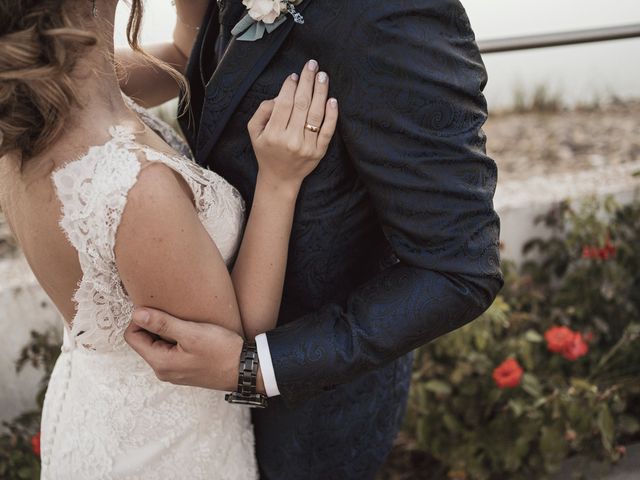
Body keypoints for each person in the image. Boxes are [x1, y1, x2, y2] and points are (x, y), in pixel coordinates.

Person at [123, 0, 504, 479]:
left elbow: (459, 270)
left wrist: (256, 368)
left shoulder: (394, 15)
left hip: (313, 410)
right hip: (194, 408)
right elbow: (193, 61)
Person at [0, 0, 337, 478]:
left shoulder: (42, 102)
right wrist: (279, 182)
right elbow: (230, 348)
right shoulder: (136, 188)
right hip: (162, 452)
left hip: (99, 412)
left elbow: (184, 51)